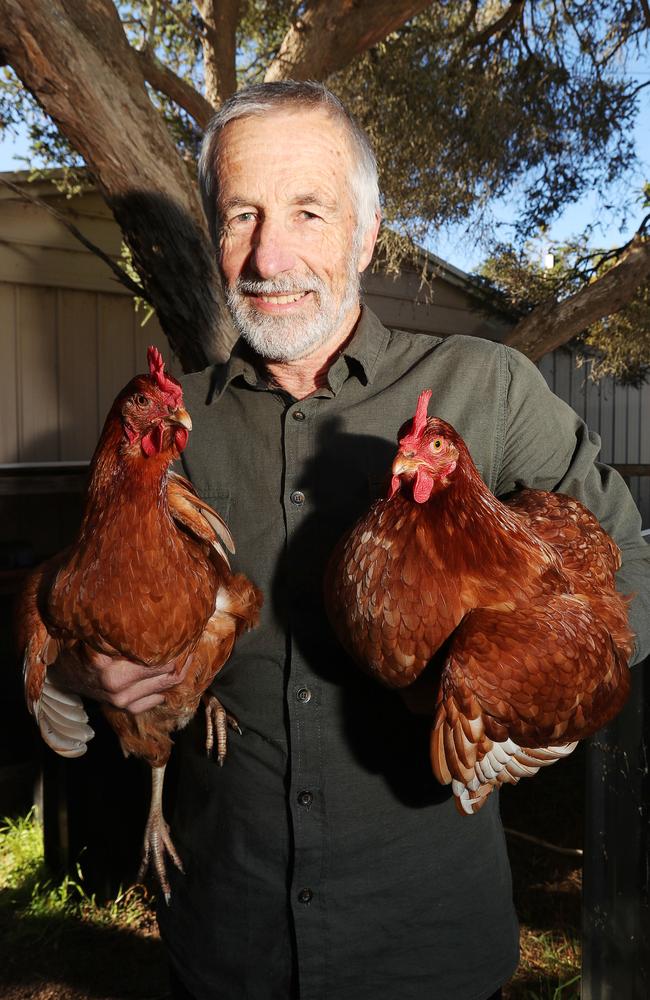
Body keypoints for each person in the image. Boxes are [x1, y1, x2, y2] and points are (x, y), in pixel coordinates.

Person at [52, 82, 650, 1000]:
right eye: (242, 213)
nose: (270, 254)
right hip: (226, 941)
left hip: (428, 945)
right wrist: (82, 670)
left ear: (368, 235)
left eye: (309, 210)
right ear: (212, 235)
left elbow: (633, 572)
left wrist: (554, 683)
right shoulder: (170, 432)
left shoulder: (486, 388)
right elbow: (70, 605)